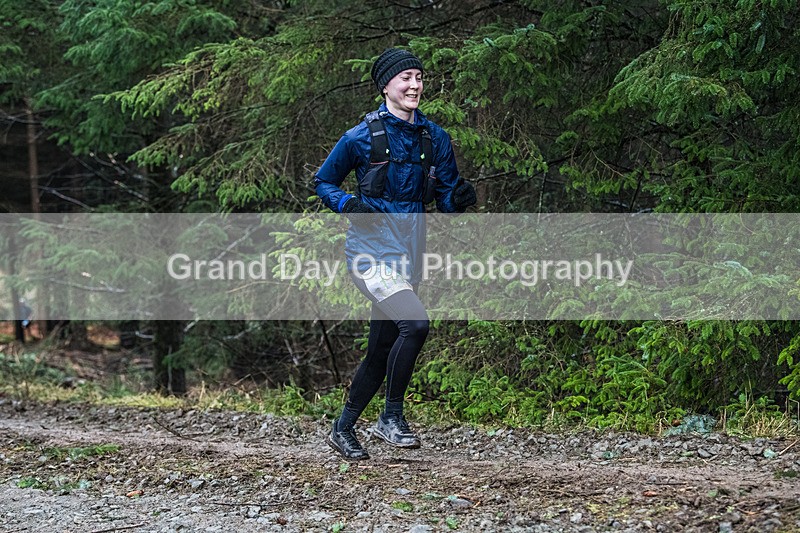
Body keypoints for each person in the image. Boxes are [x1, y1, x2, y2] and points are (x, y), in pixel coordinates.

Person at [314, 47, 477, 459]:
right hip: (369, 253)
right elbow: (323, 182)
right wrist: (348, 204)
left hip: (410, 254)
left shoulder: (435, 139)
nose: (415, 85)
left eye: (419, 77)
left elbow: (446, 201)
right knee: (416, 324)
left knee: (382, 348)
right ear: (385, 86)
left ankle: (342, 429)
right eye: (406, 77)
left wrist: (460, 199)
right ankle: (391, 416)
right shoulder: (360, 137)